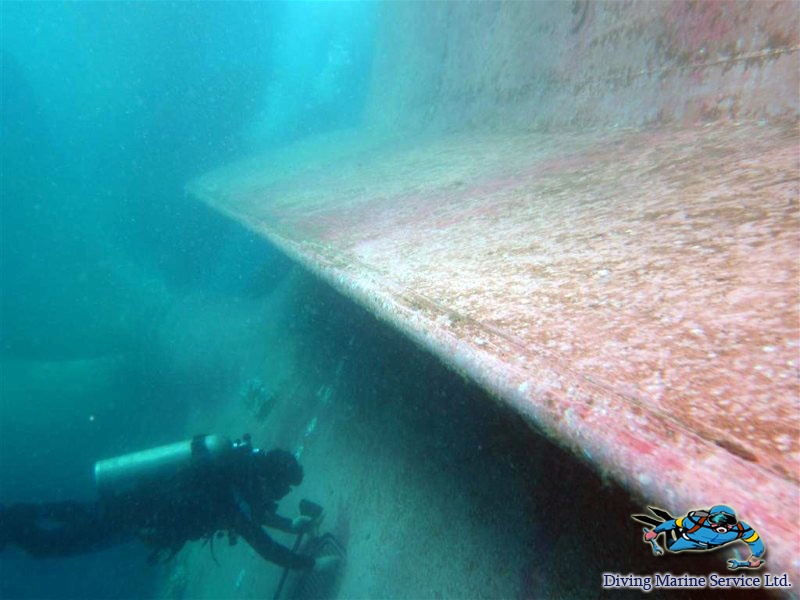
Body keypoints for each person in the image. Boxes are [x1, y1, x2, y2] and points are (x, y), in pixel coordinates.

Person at [0, 434, 318, 571]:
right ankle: (12, 531)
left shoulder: (232, 473)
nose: (276, 499)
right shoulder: (231, 497)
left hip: (134, 499)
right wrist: (307, 564)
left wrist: (291, 525)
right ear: (266, 481)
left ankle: (19, 515)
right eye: (278, 492)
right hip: (136, 519)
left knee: (86, 512)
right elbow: (262, 542)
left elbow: (253, 515)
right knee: (56, 545)